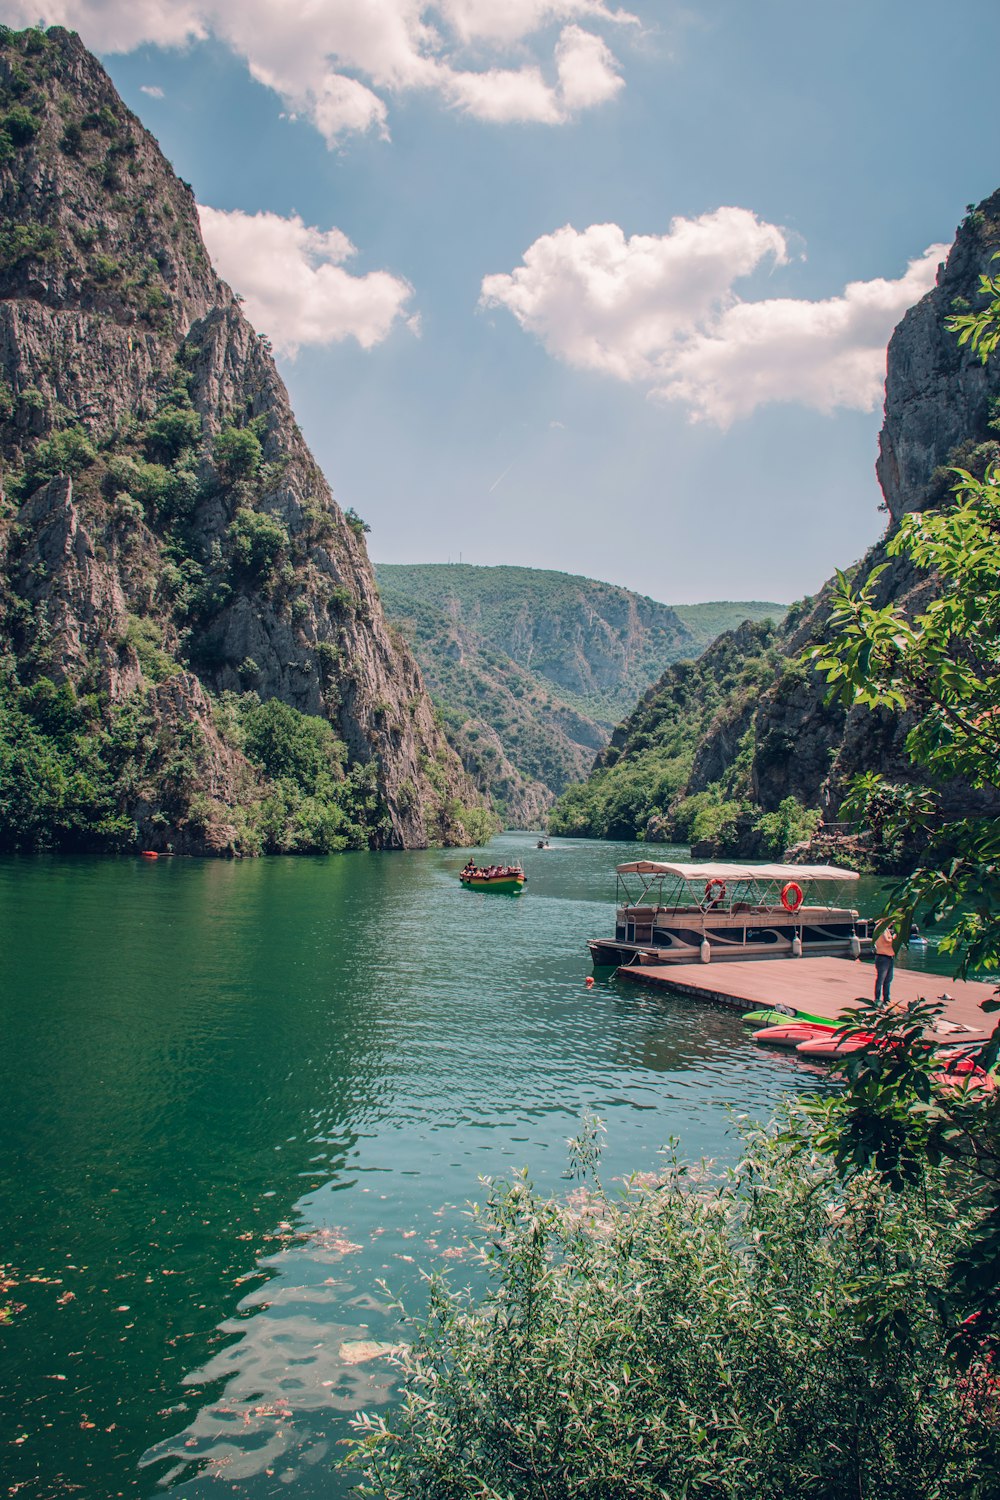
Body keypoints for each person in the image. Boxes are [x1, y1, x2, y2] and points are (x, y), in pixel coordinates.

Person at [874, 922, 896, 1006]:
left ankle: (886, 998)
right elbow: (887, 942)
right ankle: (877, 999)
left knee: (888, 979)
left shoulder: (886, 929)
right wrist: (895, 937)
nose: (892, 923)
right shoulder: (880, 928)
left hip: (889, 957)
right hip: (882, 957)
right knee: (881, 979)